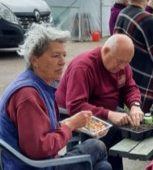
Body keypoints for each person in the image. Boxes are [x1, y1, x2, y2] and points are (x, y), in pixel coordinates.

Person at [0, 23, 111, 170]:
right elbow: (38, 149)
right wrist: (70, 126)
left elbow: (41, 130)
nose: (62, 61)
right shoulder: (28, 95)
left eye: (64, 55)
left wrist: (72, 122)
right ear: (34, 60)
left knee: (103, 166)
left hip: (40, 161)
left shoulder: (37, 84)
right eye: (55, 56)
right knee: (97, 146)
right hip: (35, 166)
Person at [56, 34, 144, 170]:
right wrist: (109, 114)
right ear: (106, 50)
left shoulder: (122, 64)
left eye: (126, 63)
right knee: (113, 131)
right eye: (120, 61)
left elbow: (130, 87)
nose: (122, 67)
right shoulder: (83, 67)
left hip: (105, 111)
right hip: (74, 117)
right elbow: (75, 105)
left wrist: (135, 105)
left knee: (127, 127)